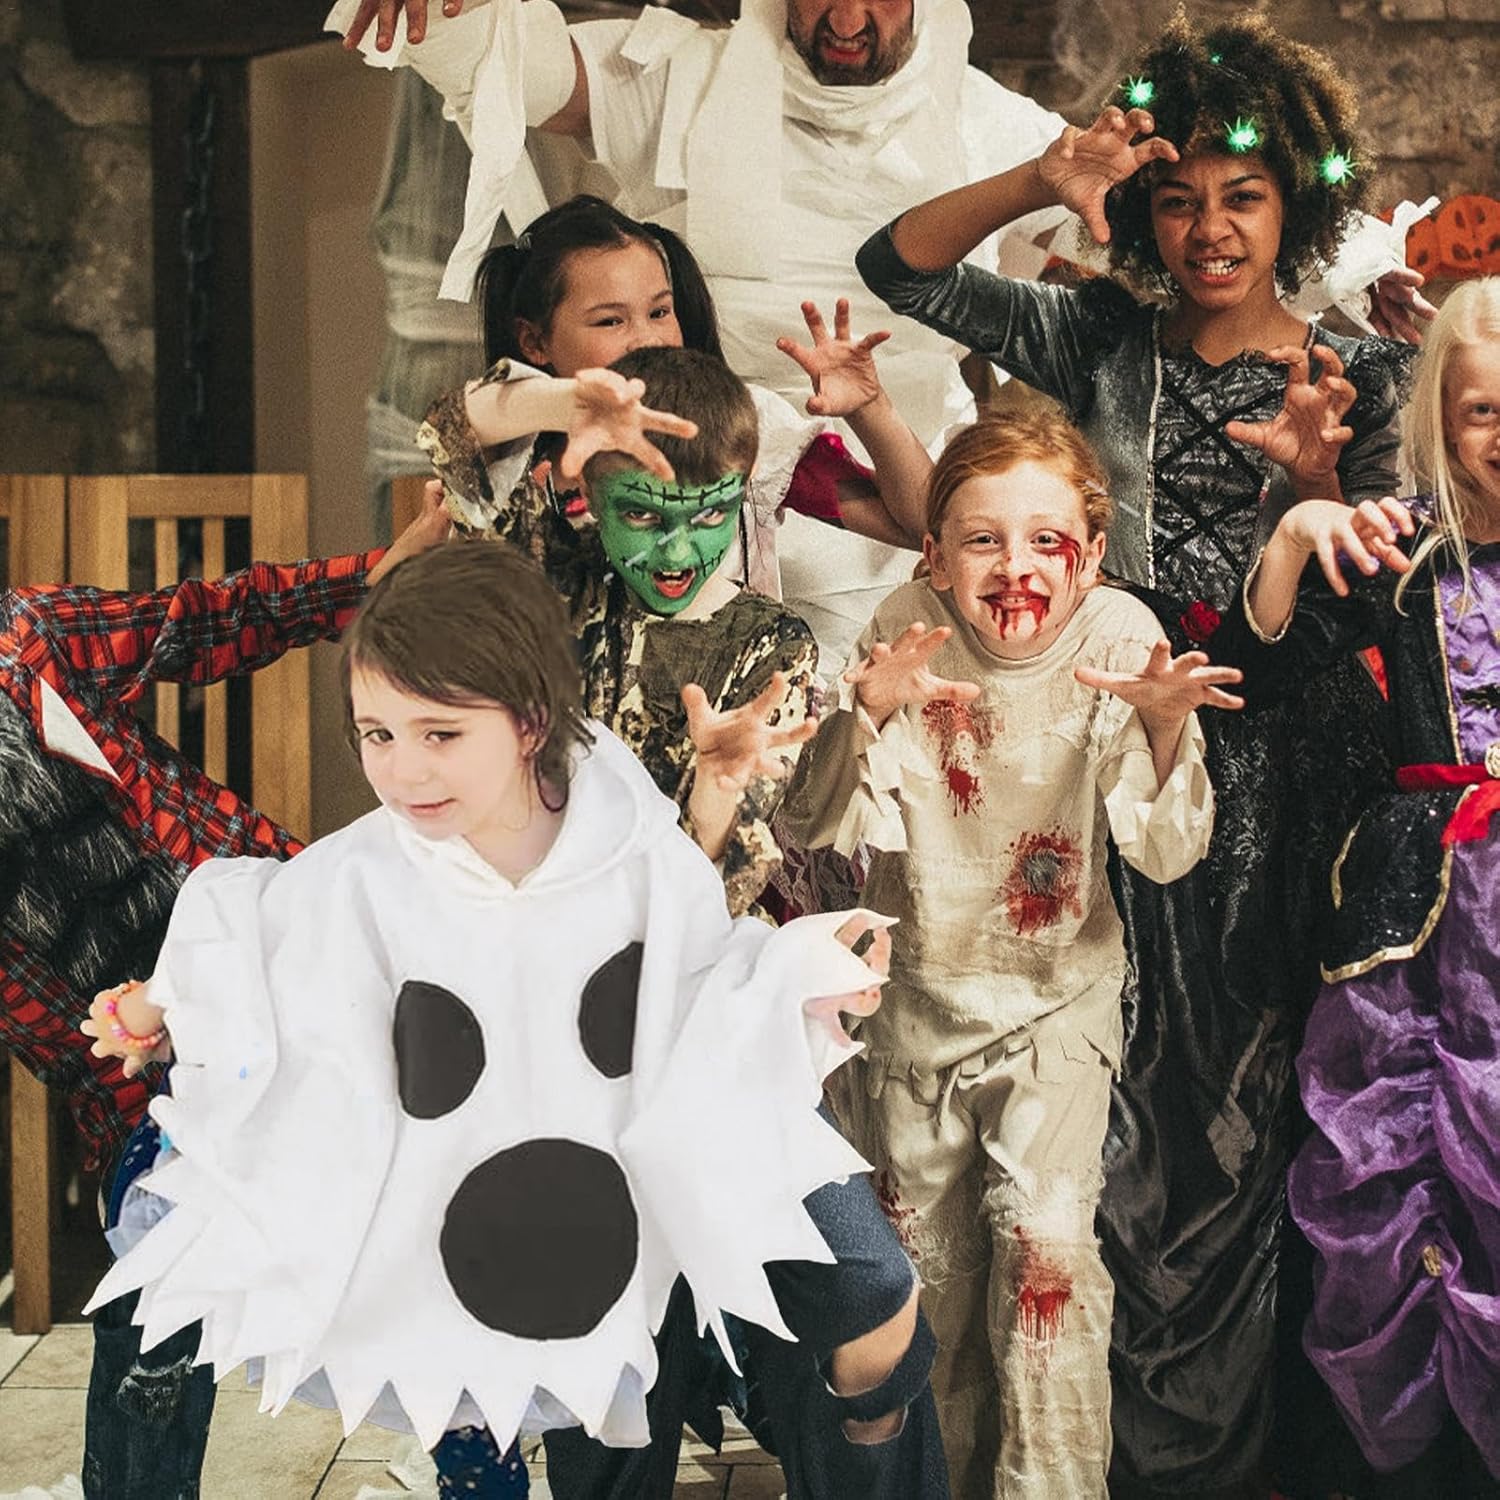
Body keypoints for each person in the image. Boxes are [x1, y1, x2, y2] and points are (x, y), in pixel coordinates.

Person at [853, 13, 1415, 1493]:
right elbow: (897, 269)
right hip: (1104, 758)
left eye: (1244, 196)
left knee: (1268, 1120)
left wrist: (1309, 483)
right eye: (1178, 198)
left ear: (1297, 206)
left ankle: (1264, 1459)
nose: (1210, 228)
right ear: (1144, 214)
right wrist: (1045, 177)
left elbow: (1365, 603)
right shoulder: (1096, 338)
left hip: (1293, 785)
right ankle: (1092, 1453)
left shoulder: (1364, 373)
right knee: (1121, 1129)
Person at [80, 540, 896, 1496]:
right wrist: (152, 1006)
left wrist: (809, 973)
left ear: (527, 722)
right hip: (452, 1189)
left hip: (604, 1171)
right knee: (494, 1388)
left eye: (440, 733)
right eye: (377, 734)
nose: (403, 771)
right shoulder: (367, 868)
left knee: (814, 1311)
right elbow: (255, 926)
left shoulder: (627, 833)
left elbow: (699, 970)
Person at [327, 0, 1431, 666]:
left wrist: (1365, 269)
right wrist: (454, 15)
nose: (848, 18)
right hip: (683, 493)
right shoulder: (682, 80)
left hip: (903, 518)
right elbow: (531, 64)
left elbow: (1188, 214)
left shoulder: (988, 120)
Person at [421, 343, 950, 1496]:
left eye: (707, 517)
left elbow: (718, 901)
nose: (676, 550)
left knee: (867, 1292)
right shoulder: (542, 591)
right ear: (588, 497)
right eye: (643, 518)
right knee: (615, 1374)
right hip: (551, 1048)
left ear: (742, 497)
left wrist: (712, 800)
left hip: (705, 1036)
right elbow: (448, 430)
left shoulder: (770, 647)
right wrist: (568, 400)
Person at [784, 407, 1234, 1498]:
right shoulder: (906, 624)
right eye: (982, 540)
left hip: (1055, 1008)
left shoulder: (1120, 637)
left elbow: (1167, 852)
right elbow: (814, 825)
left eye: (1045, 540)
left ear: (1093, 551)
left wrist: (1164, 726)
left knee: (1048, 1260)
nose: (1015, 567)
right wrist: (861, 713)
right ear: (934, 553)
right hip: (913, 1006)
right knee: (920, 1282)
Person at [0, 488, 450, 1498]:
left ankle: (470, 1444)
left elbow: (204, 621)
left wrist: (369, 578)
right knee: (157, 1277)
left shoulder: (26, 640)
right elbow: (42, 1023)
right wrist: (129, 1084)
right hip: (135, 1055)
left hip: (274, 948)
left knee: (423, 1196)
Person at [1210, 277, 1500, 1495]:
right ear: (1440, 415)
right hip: (1421, 922)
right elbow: (1249, 674)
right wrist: (1290, 534)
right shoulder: (1401, 552)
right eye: (1483, 411)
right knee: (1404, 1176)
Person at [468, 192, 934, 623]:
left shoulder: (742, 423)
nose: (648, 339)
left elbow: (926, 528)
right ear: (534, 341)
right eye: (610, 321)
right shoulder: (507, 460)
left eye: (659, 312)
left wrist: (870, 406)